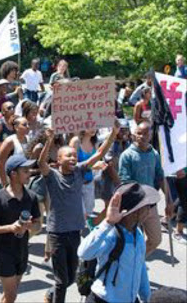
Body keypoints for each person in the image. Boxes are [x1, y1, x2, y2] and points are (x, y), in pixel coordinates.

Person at [39, 122, 119, 303]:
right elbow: (41, 162)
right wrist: (49, 140)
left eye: (75, 155)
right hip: (57, 234)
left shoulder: (80, 171)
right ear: (59, 160)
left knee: (71, 277)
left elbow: (99, 154)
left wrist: (113, 134)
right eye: (68, 155)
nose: (73, 158)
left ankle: (50, 295)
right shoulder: (52, 175)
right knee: (61, 281)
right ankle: (55, 296)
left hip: (75, 232)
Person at [78, 183, 159, 303]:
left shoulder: (138, 234)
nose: (149, 211)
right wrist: (107, 222)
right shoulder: (111, 234)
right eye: (147, 207)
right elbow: (84, 253)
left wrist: (146, 297)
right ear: (135, 211)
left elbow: (140, 267)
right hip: (103, 300)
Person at [0, 155, 41, 303]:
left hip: (22, 250)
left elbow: (38, 224)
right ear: (13, 174)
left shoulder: (32, 197)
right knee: (11, 296)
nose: (30, 173)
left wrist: (30, 227)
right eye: (25, 170)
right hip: (3, 250)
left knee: (11, 294)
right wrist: (11, 227)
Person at [118, 121, 174, 255]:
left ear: (150, 135)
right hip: (134, 207)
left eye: (146, 133)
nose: (142, 136)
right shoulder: (127, 155)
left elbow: (160, 177)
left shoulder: (153, 153)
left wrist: (169, 200)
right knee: (133, 241)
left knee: (156, 239)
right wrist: (137, 204)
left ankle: (138, 261)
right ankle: (131, 265)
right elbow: (125, 182)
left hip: (150, 205)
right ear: (133, 135)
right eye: (139, 133)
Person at [69, 129, 99, 216]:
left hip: (89, 183)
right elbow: (70, 163)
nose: (93, 128)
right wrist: (90, 166)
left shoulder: (94, 143)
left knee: (88, 213)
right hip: (77, 183)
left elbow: (96, 160)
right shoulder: (76, 141)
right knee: (79, 213)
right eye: (90, 125)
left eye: (94, 125)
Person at [0, 117, 30, 187]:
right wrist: (4, 183)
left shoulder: (29, 139)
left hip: (23, 178)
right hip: (11, 179)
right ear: (16, 127)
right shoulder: (9, 141)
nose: (28, 127)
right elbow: (1, 163)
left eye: (28, 124)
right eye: (24, 125)